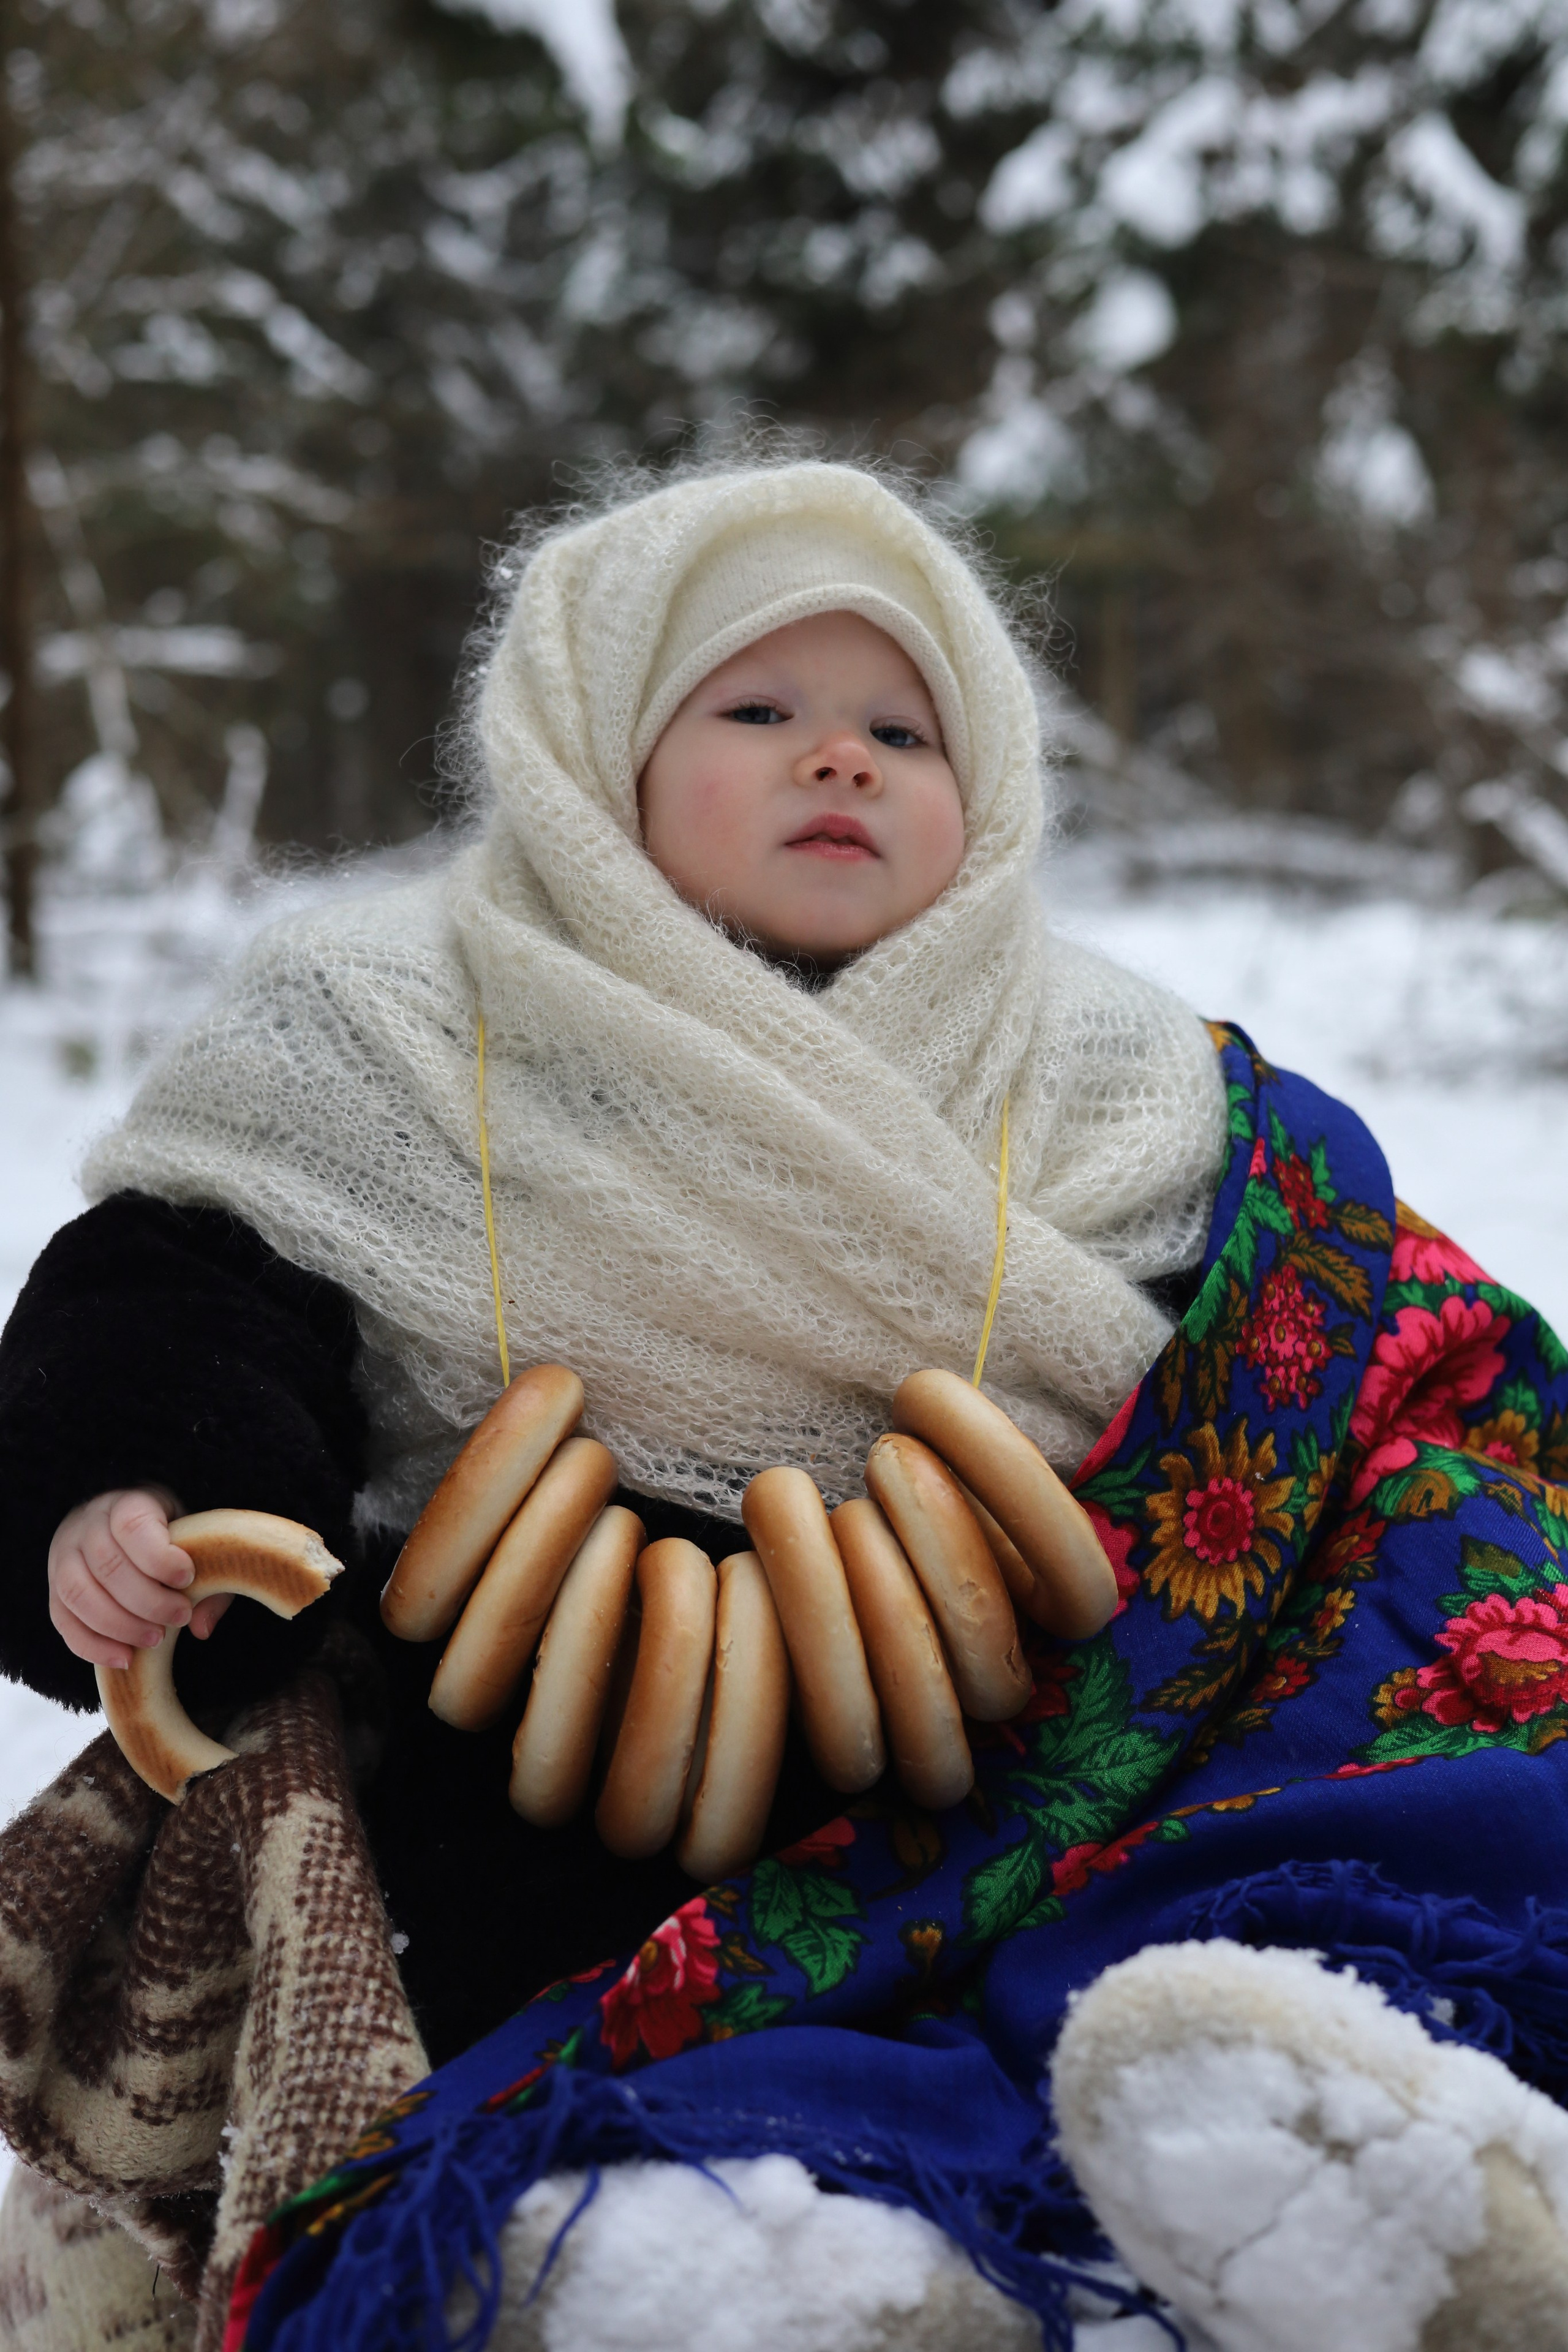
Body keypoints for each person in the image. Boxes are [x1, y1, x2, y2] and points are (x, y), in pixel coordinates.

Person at [5, 459, 1568, 2352]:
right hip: (529, 1790)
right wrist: (142, 1488)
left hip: (1053, 1748)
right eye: (759, 710)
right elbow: (176, 1288)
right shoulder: (383, 1025)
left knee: (1304, 1841)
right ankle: (740, 2267)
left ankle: (1312, 2136)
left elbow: (1339, 1339)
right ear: (596, 757)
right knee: (542, 2075)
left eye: (900, 729)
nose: (840, 761)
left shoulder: (1118, 1080)